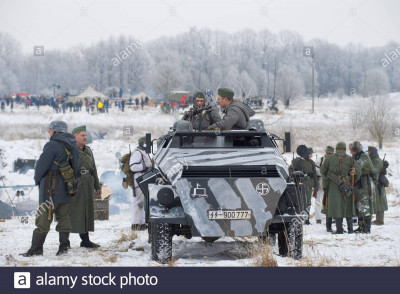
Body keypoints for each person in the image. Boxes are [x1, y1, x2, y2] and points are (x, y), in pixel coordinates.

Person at [21, 121, 79, 256]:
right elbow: (75, 169)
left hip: (50, 189)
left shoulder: (51, 145)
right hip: (66, 188)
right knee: (64, 218)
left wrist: (37, 180)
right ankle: (63, 248)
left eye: (50, 130)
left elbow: (41, 166)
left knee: (43, 219)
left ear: (54, 131)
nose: (49, 132)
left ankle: (36, 249)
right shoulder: (73, 146)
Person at [69, 125, 102, 248]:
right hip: (75, 184)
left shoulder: (88, 150)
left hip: (87, 183)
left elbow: (94, 169)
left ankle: (85, 240)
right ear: (75, 136)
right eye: (82, 135)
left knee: (86, 212)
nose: (85, 137)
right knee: (72, 212)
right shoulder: (70, 150)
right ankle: (65, 241)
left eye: (86, 135)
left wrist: (97, 186)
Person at [320, 142, 361, 234]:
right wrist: (351, 180)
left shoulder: (329, 158)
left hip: (333, 186)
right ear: (344, 149)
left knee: (337, 207)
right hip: (348, 185)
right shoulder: (351, 159)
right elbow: (358, 172)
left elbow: (322, 171)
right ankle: (350, 229)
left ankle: (339, 230)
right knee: (348, 207)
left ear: (336, 148)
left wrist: (327, 181)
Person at [349, 142, 376, 234]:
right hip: (358, 182)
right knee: (358, 205)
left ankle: (366, 228)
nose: (351, 152)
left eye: (352, 150)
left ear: (355, 151)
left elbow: (357, 166)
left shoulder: (364, 157)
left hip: (364, 183)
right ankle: (361, 227)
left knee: (364, 205)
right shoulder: (357, 157)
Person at [289, 145, 319, 225]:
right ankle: (298, 218)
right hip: (300, 185)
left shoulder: (311, 162)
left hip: (309, 185)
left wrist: (316, 186)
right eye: (310, 154)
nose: (311, 156)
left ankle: (307, 219)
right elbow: (291, 172)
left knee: (308, 203)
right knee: (299, 202)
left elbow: (315, 175)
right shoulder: (296, 161)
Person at [130, 137, 152, 231]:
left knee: (142, 202)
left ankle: (142, 223)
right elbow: (133, 167)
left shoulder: (143, 153)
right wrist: (144, 166)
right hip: (139, 179)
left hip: (143, 179)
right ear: (143, 143)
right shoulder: (137, 153)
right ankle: (135, 224)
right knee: (138, 202)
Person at [368, 146, 388, 226]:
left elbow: (374, 171)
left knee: (380, 202)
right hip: (377, 183)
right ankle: (379, 220)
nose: (368, 153)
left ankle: (379, 221)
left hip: (378, 183)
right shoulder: (374, 160)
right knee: (379, 201)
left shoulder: (376, 160)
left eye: (369, 152)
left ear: (372, 152)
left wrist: (368, 170)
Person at [320, 146, 334, 231]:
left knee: (334, 206)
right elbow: (322, 173)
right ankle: (328, 226)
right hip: (327, 185)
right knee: (327, 206)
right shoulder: (323, 160)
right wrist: (325, 186)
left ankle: (336, 224)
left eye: (330, 153)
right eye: (328, 153)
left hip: (334, 185)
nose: (328, 154)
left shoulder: (334, 160)